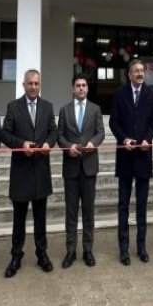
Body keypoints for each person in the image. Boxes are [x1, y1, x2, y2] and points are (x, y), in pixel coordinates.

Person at [0, 69, 58, 277]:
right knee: (19, 219)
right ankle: (16, 256)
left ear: (40, 85)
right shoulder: (13, 107)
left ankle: (42, 254)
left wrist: (48, 144)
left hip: (41, 170)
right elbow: (4, 134)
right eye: (30, 83)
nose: (33, 87)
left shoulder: (48, 107)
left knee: (41, 218)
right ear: (23, 85)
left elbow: (54, 131)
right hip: (21, 171)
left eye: (36, 83)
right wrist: (20, 143)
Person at [109, 59, 153, 265]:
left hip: (144, 157)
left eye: (142, 70)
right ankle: (123, 249)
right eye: (135, 71)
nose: (140, 73)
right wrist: (123, 139)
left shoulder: (151, 94)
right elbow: (113, 121)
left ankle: (141, 247)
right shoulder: (120, 93)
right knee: (123, 206)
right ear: (128, 74)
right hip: (125, 157)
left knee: (141, 205)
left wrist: (148, 138)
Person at [57, 73, 105, 269]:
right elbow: (59, 135)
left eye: (84, 85)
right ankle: (70, 251)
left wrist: (93, 143)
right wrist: (68, 147)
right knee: (71, 212)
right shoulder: (64, 110)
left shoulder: (95, 109)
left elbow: (100, 132)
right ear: (72, 88)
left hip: (89, 167)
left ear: (87, 88)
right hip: (71, 167)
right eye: (78, 85)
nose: (81, 88)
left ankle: (87, 249)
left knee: (88, 211)